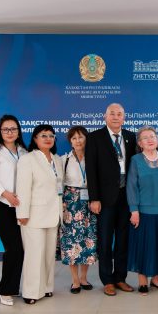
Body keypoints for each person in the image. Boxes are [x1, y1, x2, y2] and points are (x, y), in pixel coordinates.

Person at [86, 103, 137, 296]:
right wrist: (94, 198)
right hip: (105, 198)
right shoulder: (94, 137)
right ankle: (107, 280)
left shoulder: (131, 137)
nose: (116, 117)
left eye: (119, 114)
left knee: (123, 239)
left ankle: (120, 278)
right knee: (105, 240)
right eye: (112, 114)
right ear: (105, 116)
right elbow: (91, 169)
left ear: (124, 117)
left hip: (126, 196)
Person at [0, 114, 28, 306]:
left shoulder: (24, 151)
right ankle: (5, 290)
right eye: (6, 129)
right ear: (0, 132)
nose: (10, 132)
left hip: (21, 205)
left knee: (21, 248)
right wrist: (5, 193)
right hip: (1, 204)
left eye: (13, 129)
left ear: (18, 131)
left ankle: (13, 287)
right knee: (13, 248)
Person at [15, 125, 63, 304]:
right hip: (33, 215)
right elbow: (23, 188)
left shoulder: (57, 159)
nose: (48, 138)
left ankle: (47, 287)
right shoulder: (27, 159)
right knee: (34, 255)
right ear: (35, 139)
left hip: (54, 214)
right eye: (43, 135)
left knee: (49, 255)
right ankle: (31, 292)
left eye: (51, 135)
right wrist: (22, 213)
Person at [126, 126, 158, 293]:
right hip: (144, 212)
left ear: (157, 140)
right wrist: (134, 210)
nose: (149, 140)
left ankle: (156, 280)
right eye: (145, 138)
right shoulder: (136, 160)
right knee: (144, 247)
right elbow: (131, 186)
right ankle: (142, 282)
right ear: (140, 143)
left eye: (152, 136)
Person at [60, 125, 97, 294]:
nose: (78, 141)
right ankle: (75, 280)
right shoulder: (64, 159)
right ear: (70, 141)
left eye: (81, 137)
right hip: (71, 204)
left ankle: (84, 278)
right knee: (71, 241)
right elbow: (59, 183)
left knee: (88, 240)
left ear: (86, 139)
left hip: (89, 202)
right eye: (74, 138)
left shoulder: (93, 157)